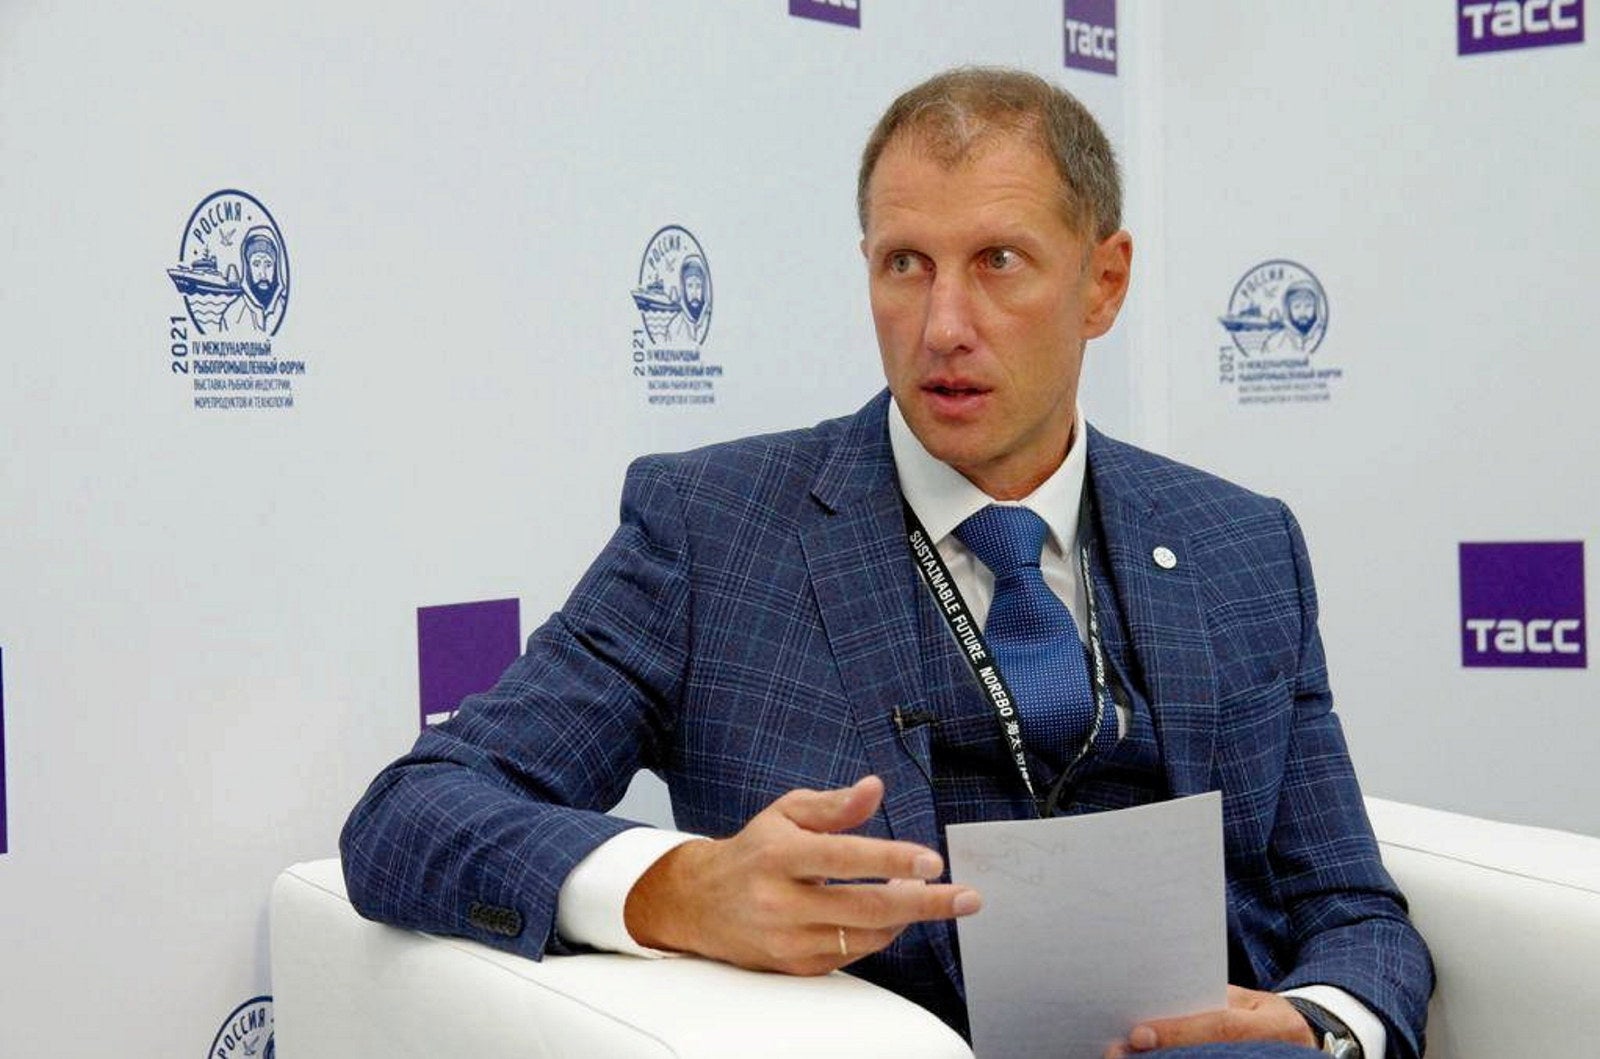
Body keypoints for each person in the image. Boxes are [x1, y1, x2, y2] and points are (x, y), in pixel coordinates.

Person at [341, 67, 1431, 1058]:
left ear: (1104, 282)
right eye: (905, 265)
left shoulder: (1243, 545)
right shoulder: (712, 531)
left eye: (998, 263)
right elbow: (410, 813)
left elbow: (1351, 908)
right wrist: (681, 887)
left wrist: (1319, 1024)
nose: (943, 325)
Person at [220, 225, 287, 334]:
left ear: (276, 268)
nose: (263, 275)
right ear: (247, 268)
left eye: (268, 265)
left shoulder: (287, 309)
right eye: (256, 264)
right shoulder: (232, 316)